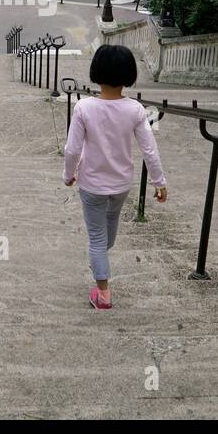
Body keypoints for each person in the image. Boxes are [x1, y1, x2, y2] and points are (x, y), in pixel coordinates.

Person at [63, 45, 168, 310]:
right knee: (108, 231)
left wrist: (68, 174)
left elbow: (73, 148)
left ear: (96, 72)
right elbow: (149, 149)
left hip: (92, 185)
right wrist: (159, 182)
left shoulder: (84, 108)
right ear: (129, 74)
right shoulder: (135, 109)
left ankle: (104, 294)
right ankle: (99, 259)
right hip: (121, 184)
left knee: (97, 237)